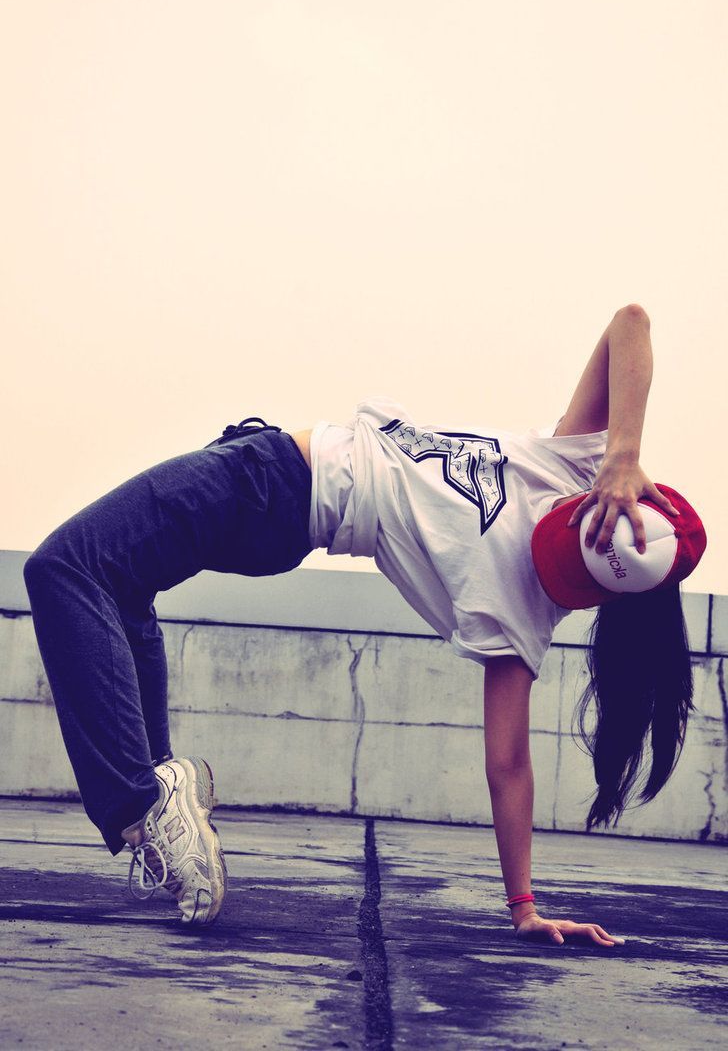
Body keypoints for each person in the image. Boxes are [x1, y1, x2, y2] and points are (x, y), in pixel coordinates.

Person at [22, 303, 706, 944]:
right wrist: (621, 453)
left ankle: (142, 808)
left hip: (273, 485)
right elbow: (632, 323)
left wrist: (524, 909)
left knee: (65, 568)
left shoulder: (524, 606)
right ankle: (160, 781)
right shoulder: (569, 473)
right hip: (271, 479)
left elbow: (511, 768)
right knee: (120, 585)